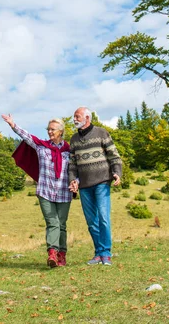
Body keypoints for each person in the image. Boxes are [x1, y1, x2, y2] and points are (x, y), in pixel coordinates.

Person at [2, 113, 72, 268]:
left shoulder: (69, 150)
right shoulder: (41, 146)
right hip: (45, 191)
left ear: (61, 131)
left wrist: (76, 182)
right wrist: (12, 124)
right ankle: (52, 253)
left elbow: (75, 170)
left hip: (64, 192)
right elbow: (26, 136)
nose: (49, 132)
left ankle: (62, 255)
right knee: (52, 222)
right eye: (48, 129)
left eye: (53, 129)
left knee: (61, 224)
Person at [68, 107, 122, 266]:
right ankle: (98, 253)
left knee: (104, 218)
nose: (74, 119)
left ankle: (106, 253)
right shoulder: (74, 139)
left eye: (77, 116)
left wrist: (117, 172)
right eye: (74, 117)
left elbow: (114, 155)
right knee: (92, 221)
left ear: (87, 118)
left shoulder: (101, 133)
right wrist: (72, 180)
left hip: (102, 182)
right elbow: (72, 164)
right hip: (84, 186)